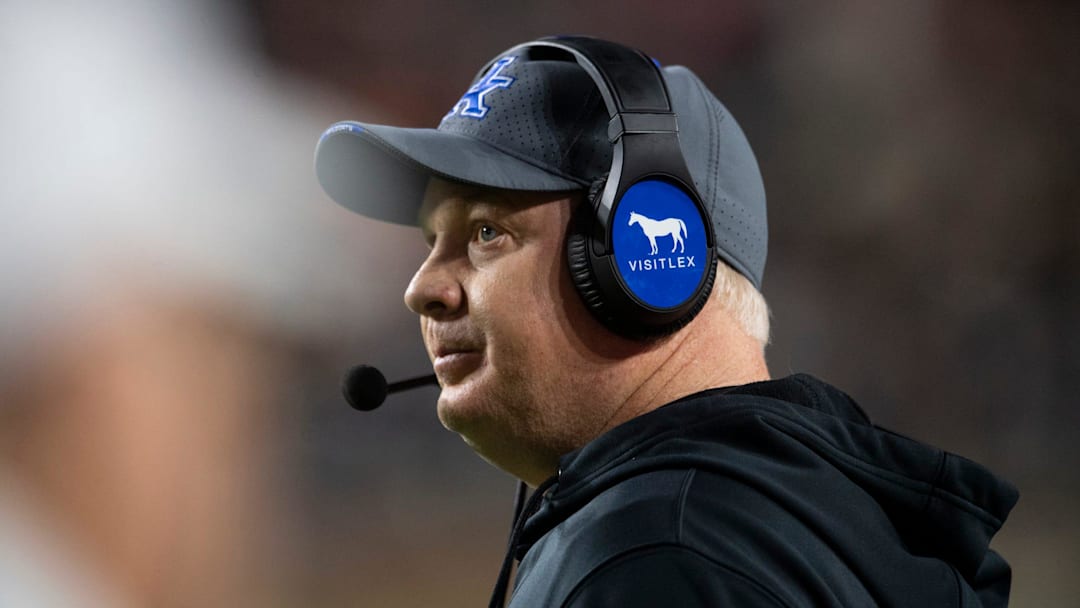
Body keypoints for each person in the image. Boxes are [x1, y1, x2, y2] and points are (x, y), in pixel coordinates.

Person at [315, 36, 1018, 608]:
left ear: (645, 261)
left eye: (486, 233)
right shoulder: (801, 522)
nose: (422, 288)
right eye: (429, 241)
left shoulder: (654, 559)